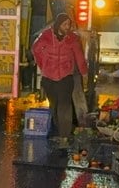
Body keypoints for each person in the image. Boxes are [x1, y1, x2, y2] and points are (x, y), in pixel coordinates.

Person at [31, 13, 88, 149]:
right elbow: (35, 49)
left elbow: (79, 57)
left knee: (65, 106)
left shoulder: (73, 39)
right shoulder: (46, 36)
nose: (67, 27)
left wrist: (84, 73)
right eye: (64, 24)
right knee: (54, 105)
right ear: (58, 25)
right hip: (49, 78)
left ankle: (64, 137)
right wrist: (43, 65)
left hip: (65, 78)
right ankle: (60, 131)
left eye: (69, 24)